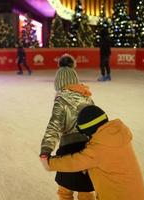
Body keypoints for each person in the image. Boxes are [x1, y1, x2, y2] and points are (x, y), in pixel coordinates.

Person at [40, 105, 144, 200]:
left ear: (90, 130)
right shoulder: (117, 137)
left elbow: (74, 162)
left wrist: (49, 163)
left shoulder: (98, 149)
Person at [40, 54, 95, 200]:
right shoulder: (87, 97)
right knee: (85, 189)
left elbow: (54, 125)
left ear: (59, 84)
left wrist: (46, 150)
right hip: (88, 149)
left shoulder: (61, 99)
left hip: (68, 150)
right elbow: (97, 123)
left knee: (65, 190)